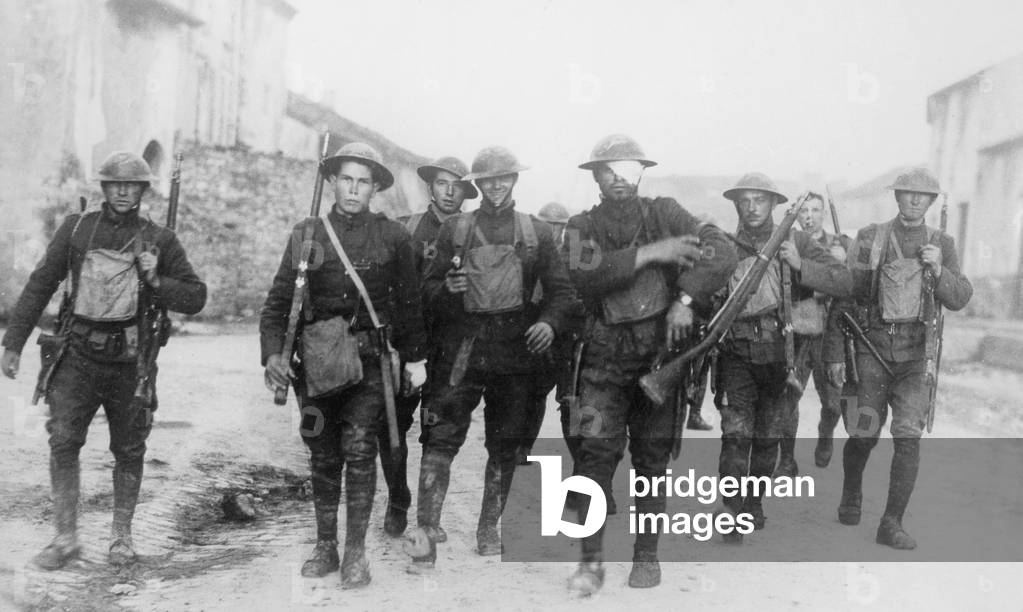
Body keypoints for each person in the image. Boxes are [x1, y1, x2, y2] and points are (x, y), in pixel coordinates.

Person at [1, 151, 207, 569]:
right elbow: (41, 282)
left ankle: (121, 538)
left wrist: (156, 278)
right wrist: (13, 342)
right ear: (104, 187)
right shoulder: (77, 229)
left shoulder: (160, 240)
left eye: (132, 185)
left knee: (130, 449)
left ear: (144, 190)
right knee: (63, 442)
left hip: (130, 361)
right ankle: (65, 538)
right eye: (116, 184)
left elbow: (195, 297)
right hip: (75, 355)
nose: (124, 192)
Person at [563, 134, 737, 594]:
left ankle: (646, 556)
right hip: (602, 362)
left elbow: (721, 248)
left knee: (652, 462)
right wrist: (652, 253)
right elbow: (585, 275)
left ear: (642, 172)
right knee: (594, 457)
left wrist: (686, 297)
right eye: (610, 170)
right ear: (596, 176)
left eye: (629, 169)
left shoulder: (666, 213)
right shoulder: (581, 225)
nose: (620, 178)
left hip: (660, 358)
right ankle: (591, 562)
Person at [261, 142, 428, 588]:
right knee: (321, 452)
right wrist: (275, 355)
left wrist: (415, 360)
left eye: (363, 181)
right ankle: (326, 546)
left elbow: (411, 306)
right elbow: (278, 304)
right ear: (333, 182)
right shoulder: (306, 235)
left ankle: (356, 554)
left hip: (370, 365)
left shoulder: (394, 237)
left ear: (375, 187)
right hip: (316, 366)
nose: (354, 189)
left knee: (359, 451)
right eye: (347, 179)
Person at [408, 146, 575, 571]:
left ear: (514, 180)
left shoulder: (535, 232)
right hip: (460, 352)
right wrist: (446, 286)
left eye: (504, 178)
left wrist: (551, 324)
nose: (496, 185)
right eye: (488, 179)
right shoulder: (456, 231)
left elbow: (563, 292)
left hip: (515, 356)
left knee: (504, 447)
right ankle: (426, 534)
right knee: (440, 441)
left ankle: (487, 529)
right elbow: (423, 294)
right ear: (477, 184)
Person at [824, 167, 972, 550]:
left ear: (932, 201)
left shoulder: (943, 243)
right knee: (862, 433)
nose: (915, 200)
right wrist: (836, 352)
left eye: (923, 195)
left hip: (916, 357)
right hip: (870, 351)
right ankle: (852, 490)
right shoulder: (870, 238)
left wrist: (938, 269)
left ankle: (891, 523)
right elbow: (844, 294)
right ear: (897, 196)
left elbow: (959, 297)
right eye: (908, 193)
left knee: (908, 438)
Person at [715, 173, 850, 540]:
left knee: (768, 436)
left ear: (774, 204)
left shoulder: (798, 241)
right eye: (746, 200)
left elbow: (843, 281)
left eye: (761, 199)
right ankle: (731, 512)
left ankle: (754, 503)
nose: (753, 207)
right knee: (734, 435)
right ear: (737, 204)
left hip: (780, 353)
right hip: (736, 352)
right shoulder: (724, 246)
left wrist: (800, 265)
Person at [382, 156, 476, 538]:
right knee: (390, 426)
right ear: (430, 187)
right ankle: (397, 497)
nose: (449, 191)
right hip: (406, 344)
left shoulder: (472, 232)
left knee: (439, 432)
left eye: (457, 185)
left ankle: (428, 519)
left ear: (467, 192)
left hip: (449, 347)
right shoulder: (406, 229)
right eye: (441, 183)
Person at [775, 192, 852, 475]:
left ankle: (825, 433)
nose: (809, 216)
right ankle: (786, 459)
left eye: (815, 210)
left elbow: (851, 285)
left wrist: (844, 261)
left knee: (833, 402)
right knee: (788, 397)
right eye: (803, 211)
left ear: (824, 214)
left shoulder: (841, 245)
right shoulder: (789, 242)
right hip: (798, 330)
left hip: (830, 334)